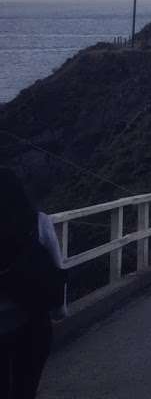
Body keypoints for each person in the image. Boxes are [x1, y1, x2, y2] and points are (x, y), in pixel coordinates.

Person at [0, 169, 67, 399]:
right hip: (33, 322)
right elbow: (55, 267)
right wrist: (59, 309)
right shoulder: (39, 221)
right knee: (24, 389)